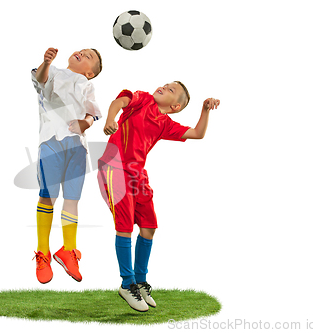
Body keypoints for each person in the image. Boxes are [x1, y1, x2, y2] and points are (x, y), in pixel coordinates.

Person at [97, 82, 220, 311]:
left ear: (174, 106)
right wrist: (110, 120)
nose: (164, 87)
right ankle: (127, 284)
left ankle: (140, 281)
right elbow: (119, 102)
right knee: (124, 227)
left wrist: (204, 109)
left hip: (137, 174)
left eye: (171, 90)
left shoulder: (165, 124)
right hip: (115, 168)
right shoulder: (142, 99)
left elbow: (197, 133)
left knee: (149, 227)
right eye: (165, 84)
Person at [31, 47, 102, 284]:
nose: (81, 52)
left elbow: (93, 112)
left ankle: (68, 250)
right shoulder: (53, 72)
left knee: (72, 199)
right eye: (82, 50)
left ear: (90, 73)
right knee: (48, 197)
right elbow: (40, 79)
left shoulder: (86, 85)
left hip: (77, 147)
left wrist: (85, 123)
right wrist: (46, 62)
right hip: (51, 141)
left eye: (89, 56)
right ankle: (43, 252)